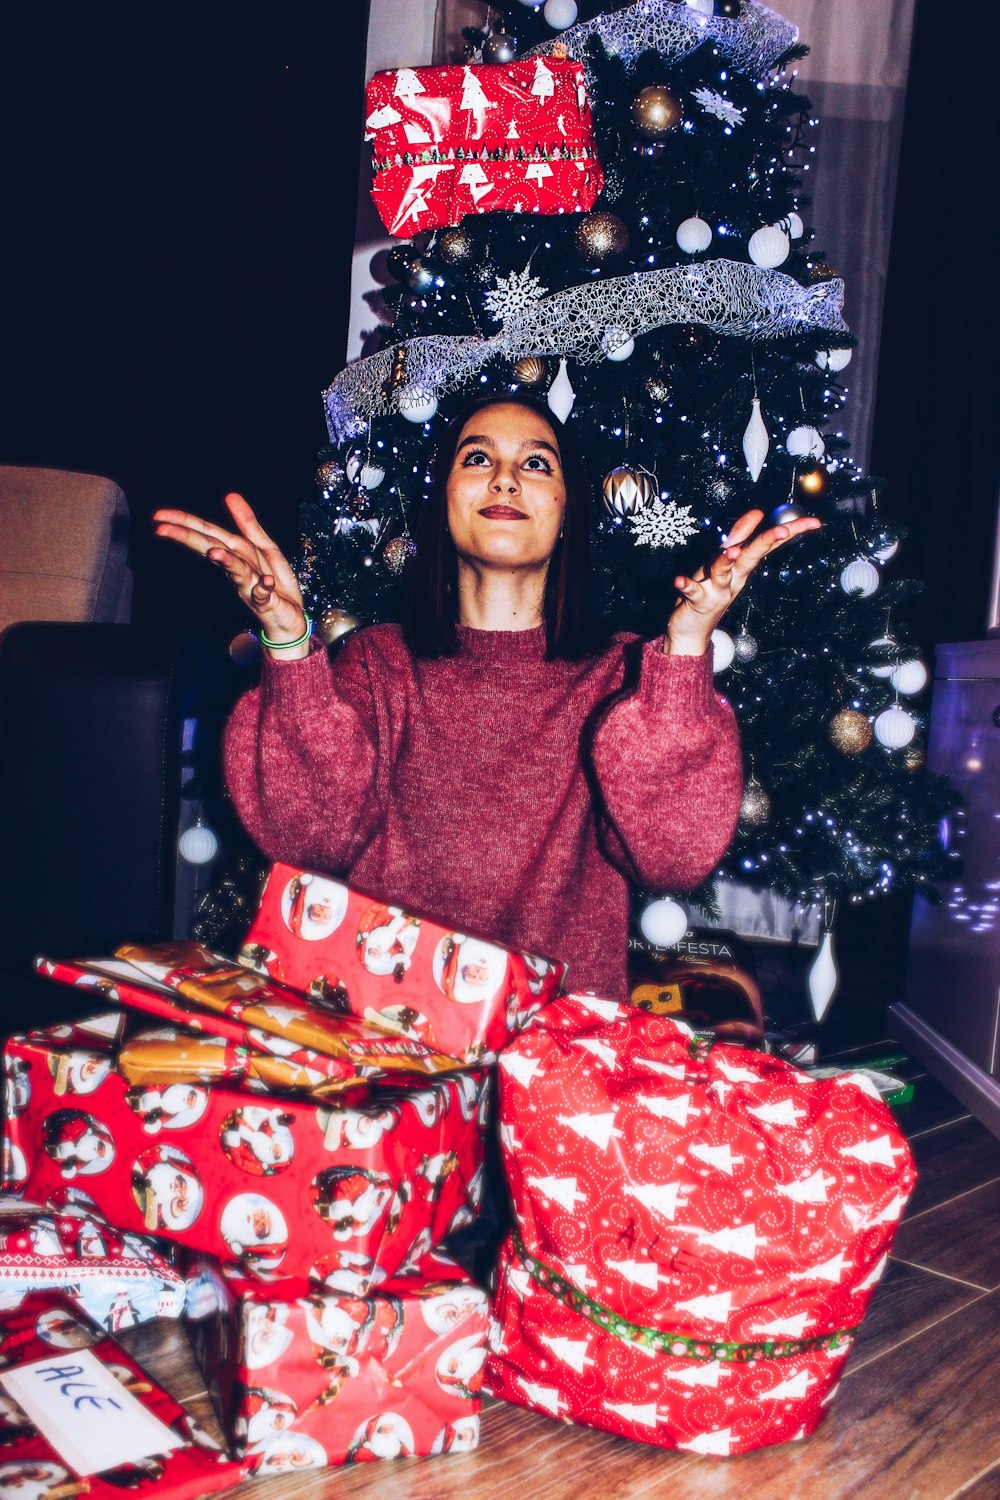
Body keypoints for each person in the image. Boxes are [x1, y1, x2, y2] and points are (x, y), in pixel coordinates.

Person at [154, 393, 819, 1001]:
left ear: (567, 515)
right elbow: (308, 842)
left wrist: (684, 651)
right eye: (478, 459)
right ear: (443, 503)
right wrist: (289, 643)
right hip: (388, 1032)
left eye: (536, 463)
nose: (506, 478)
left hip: (553, 1054)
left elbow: (672, 859)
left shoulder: (620, 673)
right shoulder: (378, 662)